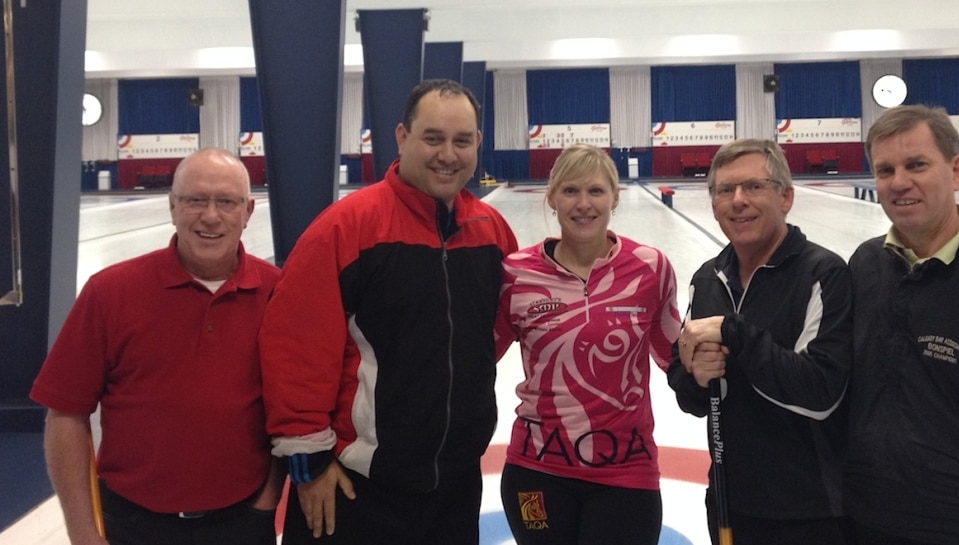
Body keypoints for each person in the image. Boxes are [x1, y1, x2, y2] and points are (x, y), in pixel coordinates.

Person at [258, 78, 518, 545]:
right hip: (353, 486)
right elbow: (294, 347)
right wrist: (310, 463)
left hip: (453, 484)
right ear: (402, 138)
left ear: (478, 143)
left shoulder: (490, 231)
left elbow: (490, 339)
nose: (447, 154)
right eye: (432, 138)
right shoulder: (348, 228)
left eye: (461, 141)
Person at [30, 148, 284, 545]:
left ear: (248, 211)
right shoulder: (110, 292)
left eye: (227, 202)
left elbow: (292, 410)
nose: (211, 216)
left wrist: (267, 503)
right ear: (171, 206)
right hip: (133, 524)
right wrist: (82, 532)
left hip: (241, 522)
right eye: (195, 200)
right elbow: (65, 414)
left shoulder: (279, 293)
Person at [844, 105, 959, 544]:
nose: (899, 182)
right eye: (885, 170)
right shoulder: (865, 265)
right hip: (865, 521)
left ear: (957, 170)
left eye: (917, 165)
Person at [493, 143, 682, 545]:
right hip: (536, 471)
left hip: (627, 472)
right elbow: (474, 358)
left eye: (596, 191)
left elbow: (673, 352)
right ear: (551, 197)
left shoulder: (649, 267)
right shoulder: (516, 273)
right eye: (570, 191)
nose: (583, 204)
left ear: (615, 196)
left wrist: (711, 354)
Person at [668, 139, 853, 544]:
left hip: (808, 512)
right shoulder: (708, 277)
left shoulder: (823, 274)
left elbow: (820, 392)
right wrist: (695, 378)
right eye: (724, 190)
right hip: (729, 502)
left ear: (785, 196)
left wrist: (735, 334)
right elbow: (686, 383)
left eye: (754, 186)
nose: (738, 201)